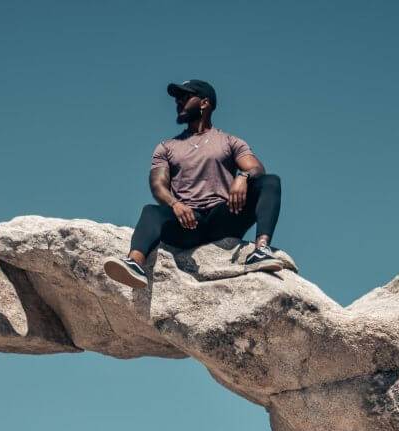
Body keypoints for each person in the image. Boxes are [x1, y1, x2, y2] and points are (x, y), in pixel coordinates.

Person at [104, 78, 283, 289]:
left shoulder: (229, 141)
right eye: (177, 98)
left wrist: (243, 177)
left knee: (270, 182)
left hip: (223, 217)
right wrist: (175, 204)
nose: (178, 102)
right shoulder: (167, 147)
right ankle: (134, 263)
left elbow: (256, 168)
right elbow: (158, 185)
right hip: (188, 222)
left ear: (204, 103)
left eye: (185, 97)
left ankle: (261, 251)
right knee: (151, 211)